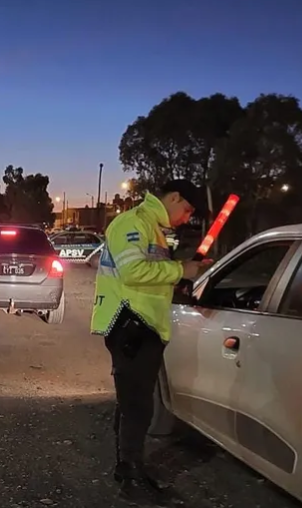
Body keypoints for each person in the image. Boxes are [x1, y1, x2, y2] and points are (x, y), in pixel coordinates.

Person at [91, 179, 211, 502]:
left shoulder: (153, 229)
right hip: (130, 326)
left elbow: (151, 277)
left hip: (145, 327)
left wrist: (181, 279)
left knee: (133, 402)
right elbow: (133, 272)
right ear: (173, 198)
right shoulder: (132, 223)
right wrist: (179, 271)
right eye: (186, 210)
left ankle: (127, 467)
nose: (186, 218)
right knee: (138, 407)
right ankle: (130, 476)